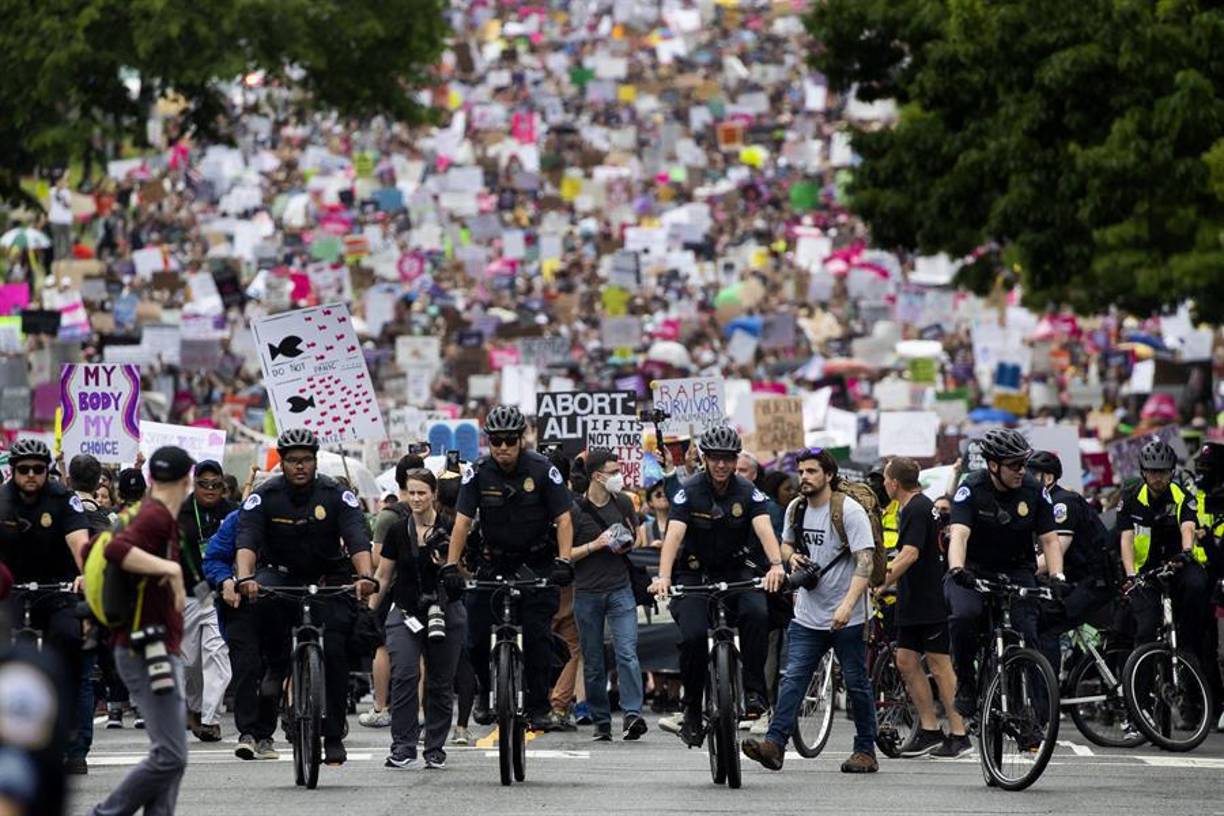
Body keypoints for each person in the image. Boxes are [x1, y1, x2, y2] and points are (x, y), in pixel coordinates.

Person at [234, 428, 377, 766]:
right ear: (282, 463)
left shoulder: (336, 494)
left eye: (306, 460)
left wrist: (366, 576)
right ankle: (266, 711)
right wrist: (245, 578)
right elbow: (247, 540)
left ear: (315, 461)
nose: (300, 466)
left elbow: (357, 539)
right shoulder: (264, 496)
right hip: (279, 578)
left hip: (327, 579)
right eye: (293, 460)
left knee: (337, 650)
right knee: (269, 644)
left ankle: (333, 735)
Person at [741, 447, 879, 774]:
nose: (804, 477)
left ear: (828, 475)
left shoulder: (849, 511)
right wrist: (791, 557)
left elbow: (865, 562)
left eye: (812, 471)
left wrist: (847, 605)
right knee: (794, 679)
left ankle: (865, 750)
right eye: (801, 471)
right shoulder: (796, 508)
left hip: (848, 615)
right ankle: (775, 744)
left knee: (857, 682)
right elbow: (786, 544)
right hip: (808, 613)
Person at [647, 425, 786, 748]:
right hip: (695, 574)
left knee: (757, 613)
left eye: (727, 459)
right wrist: (664, 576)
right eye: (715, 458)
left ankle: (754, 692)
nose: (721, 465)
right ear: (705, 459)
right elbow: (674, 535)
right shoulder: (689, 491)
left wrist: (776, 565)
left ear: (735, 460)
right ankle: (692, 710)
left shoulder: (747, 491)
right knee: (694, 636)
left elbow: (764, 528)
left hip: (738, 571)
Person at [441, 404, 575, 732]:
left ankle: (539, 705)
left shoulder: (543, 470)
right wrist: (451, 567)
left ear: (521, 440)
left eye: (509, 440)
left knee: (538, 636)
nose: (503, 447)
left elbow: (564, 520)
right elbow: (462, 523)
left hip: (536, 563)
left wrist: (563, 561)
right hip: (493, 561)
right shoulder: (477, 472)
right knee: (474, 635)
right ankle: (485, 690)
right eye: (496, 441)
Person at [84, 446, 191, 816]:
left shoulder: (148, 513)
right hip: (144, 646)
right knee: (171, 755)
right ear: (186, 481)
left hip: (151, 643)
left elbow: (90, 550)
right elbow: (115, 549)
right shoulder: (155, 516)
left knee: (170, 754)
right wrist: (170, 570)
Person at [945, 428, 1064, 719]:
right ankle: (966, 682)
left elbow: (1050, 540)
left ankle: (1034, 715)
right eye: (1014, 465)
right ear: (993, 465)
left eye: (1024, 463)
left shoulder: (1034, 490)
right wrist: (958, 569)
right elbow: (959, 535)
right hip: (973, 569)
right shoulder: (971, 488)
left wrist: (1057, 577)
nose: (1022, 470)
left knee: (1028, 632)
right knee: (964, 617)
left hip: (1016, 569)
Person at [0, 439, 93, 774]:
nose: (31, 475)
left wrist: (85, 575)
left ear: (47, 471)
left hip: (58, 588)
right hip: (11, 588)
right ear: (13, 471)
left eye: (38, 469)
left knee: (71, 643)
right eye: (24, 469)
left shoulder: (63, 499)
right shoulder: (1, 500)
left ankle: (75, 745)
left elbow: (80, 544)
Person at [367, 468, 463, 770]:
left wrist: (448, 563)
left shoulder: (451, 527)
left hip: (445, 611)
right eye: (412, 493)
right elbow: (384, 575)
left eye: (422, 492)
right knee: (405, 675)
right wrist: (369, 610)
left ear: (434, 494)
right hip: (406, 612)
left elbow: (467, 571)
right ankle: (403, 746)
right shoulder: (398, 529)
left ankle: (435, 747)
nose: (417, 498)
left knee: (440, 682)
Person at [879, 457, 968, 758]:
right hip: (913, 598)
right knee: (905, 660)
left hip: (928, 599)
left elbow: (909, 554)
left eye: (885, 479)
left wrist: (880, 582)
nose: (883, 483)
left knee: (940, 665)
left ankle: (960, 733)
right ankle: (930, 730)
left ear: (894, 483)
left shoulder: (916, 508)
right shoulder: (915, 506)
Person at [1117, 440, 1213, 679]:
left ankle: (1187, 639)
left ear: (1171, 472)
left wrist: (1187, 551)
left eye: (1163, 472)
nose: (1158, 477)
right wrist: (1131, 574)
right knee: (1145, 631)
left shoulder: (1182, 496)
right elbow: (1126, 540)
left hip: (1177, 563)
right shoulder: (1130, 498)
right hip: (1146, 572)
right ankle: (1139, 694)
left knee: (1198, 584)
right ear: (1143, 472)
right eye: (1152, 472)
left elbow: (1188, 526)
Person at [571, 449, 648, 742]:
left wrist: (624, 542)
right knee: (593, 660)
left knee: (627, 652)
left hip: (620, 589)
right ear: (597, 476)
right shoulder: (575, 511)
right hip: (587, 593)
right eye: (613, 472)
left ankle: (632, 714)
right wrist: (596, 544)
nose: (619, 476)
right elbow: (565, 554)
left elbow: (636, 536)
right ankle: (601, 721)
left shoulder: (624, 502)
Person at [1026, 451, 1118, 670]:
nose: (1026, 479)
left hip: (1093, 582)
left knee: (1046, 624)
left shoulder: (1062, 503)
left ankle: (1048, 686)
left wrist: (1022, 570)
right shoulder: (1042, 504)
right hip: (1075, 580)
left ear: (1048, 478)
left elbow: (1055, 552)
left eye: (1033, 474)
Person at [360, 453, 424, 730]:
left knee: (383, 647)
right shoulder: (429, 511)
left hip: (392, 590)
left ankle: (380, 706)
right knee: (421, 650)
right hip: (420, 589)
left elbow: (377, 559)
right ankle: (420, 709)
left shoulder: (388, 515)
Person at [176, 460, 235, 742]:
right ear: (194, 484)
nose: (210, 489)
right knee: (189, 662)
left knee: (217, 654)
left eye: (216, 484)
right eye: (204, 484)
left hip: (220, 593)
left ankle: (210, 719)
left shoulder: (233, 512)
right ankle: (195, 707)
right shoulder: (179, 511)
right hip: (187, 594)